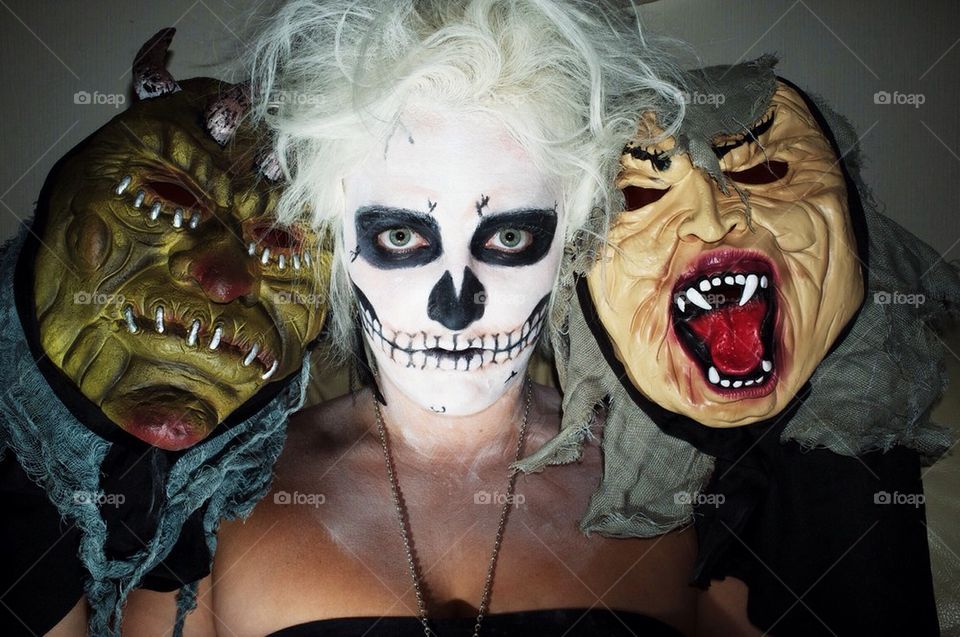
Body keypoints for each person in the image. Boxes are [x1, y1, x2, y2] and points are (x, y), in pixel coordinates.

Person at [123, 0, 708, 635]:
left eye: (509, 239)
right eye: (400, 237)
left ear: (570, 239)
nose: (455, 309)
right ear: (333, 233)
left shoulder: (679, 487)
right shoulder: (210, 499)